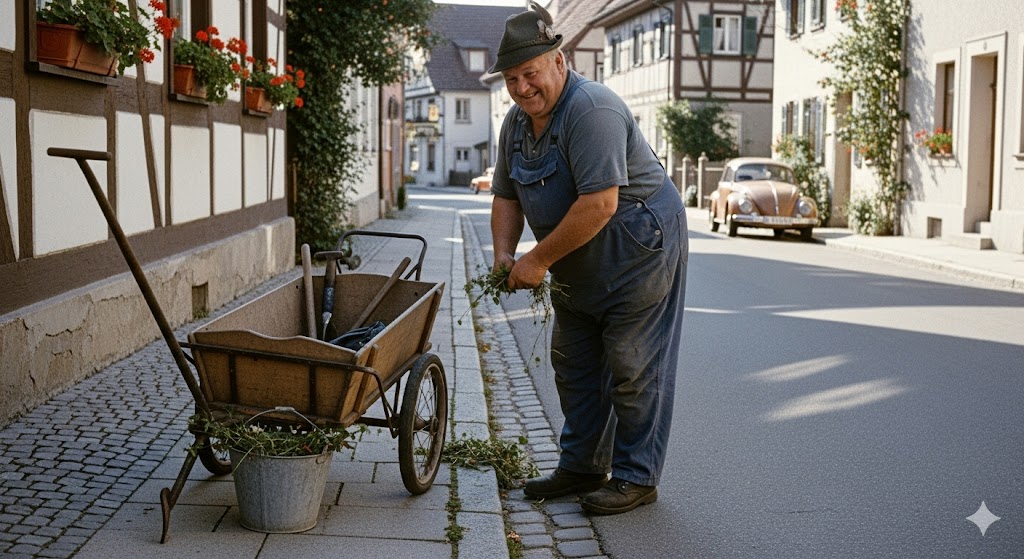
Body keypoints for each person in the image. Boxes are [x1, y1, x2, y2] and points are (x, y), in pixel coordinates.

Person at [487, 3, 689, 515]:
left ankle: (637, 477)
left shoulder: (592, 109)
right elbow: (506, 195)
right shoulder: (516, 124)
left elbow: (600, 203)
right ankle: (580, 466)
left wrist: (534, 262)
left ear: (559, 60)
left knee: (631, 362)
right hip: (574, 256)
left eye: (529, 74)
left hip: (638, 250)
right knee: (574, 363)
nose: (521, 88)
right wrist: (505, 254)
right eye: (511, 80)